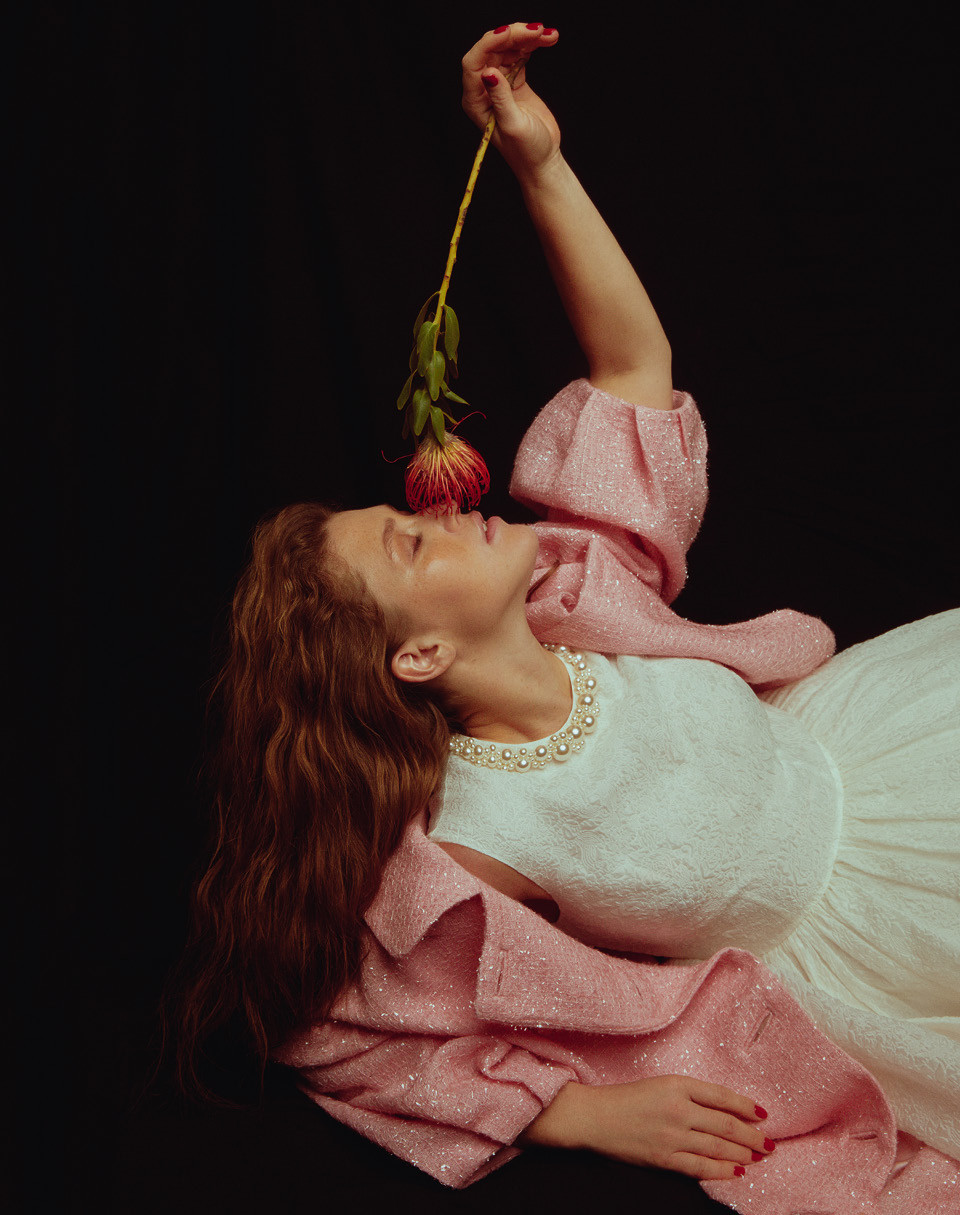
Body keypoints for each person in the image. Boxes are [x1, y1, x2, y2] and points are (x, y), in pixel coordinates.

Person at [166, 22, 959, 1213]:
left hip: (893, 753)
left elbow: (635, 367)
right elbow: (329, 1029)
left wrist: (536, 160)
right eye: (410, 545)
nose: (440, 510)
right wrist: (572, 1111)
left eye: (408, 513)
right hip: (872, 945)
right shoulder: (476, 836)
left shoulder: (584, 603)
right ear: (420, 652)